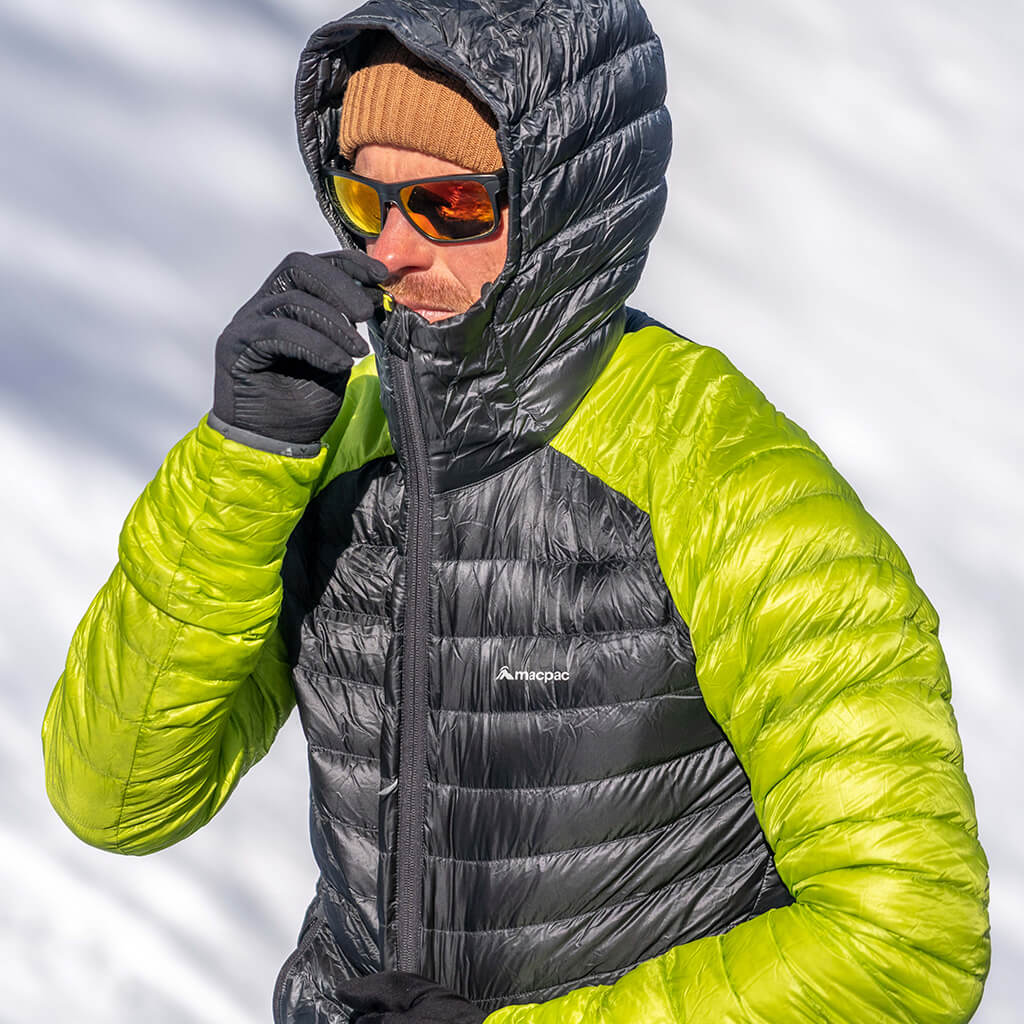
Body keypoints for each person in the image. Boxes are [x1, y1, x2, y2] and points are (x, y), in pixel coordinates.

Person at [42, 1, 991, 1022]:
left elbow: (906, 935)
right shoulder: (334, 451)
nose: (395, 251)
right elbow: (118, 796)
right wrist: (245, 456)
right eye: (367, 199)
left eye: (450, 203)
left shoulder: (726, 484)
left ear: (565, 203)